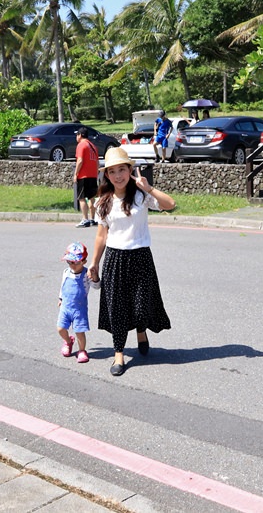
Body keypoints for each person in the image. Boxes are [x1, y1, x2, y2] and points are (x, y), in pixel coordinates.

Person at [89, 147, 175, 376]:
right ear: (106, 175)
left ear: (130, 170)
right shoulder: (103, 202)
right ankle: (119, 353)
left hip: (140, 256)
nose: (118, 176)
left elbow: (170, 204)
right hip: (115, 259)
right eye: (113, 171)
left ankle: (141, 330)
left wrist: (149, 188)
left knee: (140, 306)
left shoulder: (141, 195)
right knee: (117, 308)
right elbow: (101, 236)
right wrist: (95, 263)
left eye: (122, 170)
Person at [57, 241, 92, 364]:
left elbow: (97, 286)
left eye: (76, 262)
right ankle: (68, 341)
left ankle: (82, 350)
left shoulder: (86, 274)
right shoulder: (66, 272)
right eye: (70, 262)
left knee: (79, 332)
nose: (72, 265)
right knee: (60, 329)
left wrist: (95, 276)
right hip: (65, 307)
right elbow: (63, 286)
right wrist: (60, 298)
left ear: (83, 261)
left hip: (79, 309)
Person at [74, 127, 99, 227]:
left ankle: (85, 219)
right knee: (92, 197)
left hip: (83, 175)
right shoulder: (93, 146)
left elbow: (80, 160)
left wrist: (76, 173)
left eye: (77, 135)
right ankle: (92, 219)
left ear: (80, 135)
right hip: (93, 175)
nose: (76, 137)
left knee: (81, 197)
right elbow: (97, 162)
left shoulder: (81, 145)